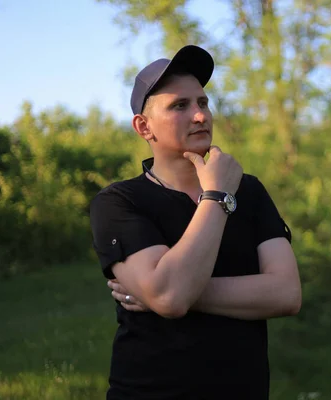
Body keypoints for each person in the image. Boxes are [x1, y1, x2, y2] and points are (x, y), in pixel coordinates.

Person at [89, 44, 301, 400]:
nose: (200, 115)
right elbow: (171, 296)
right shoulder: (119, 202)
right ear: (144, 127)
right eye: (179, 106)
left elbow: (287, 294)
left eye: (202, 103)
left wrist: (162, 292)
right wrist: (217, 197)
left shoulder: (248, 191)